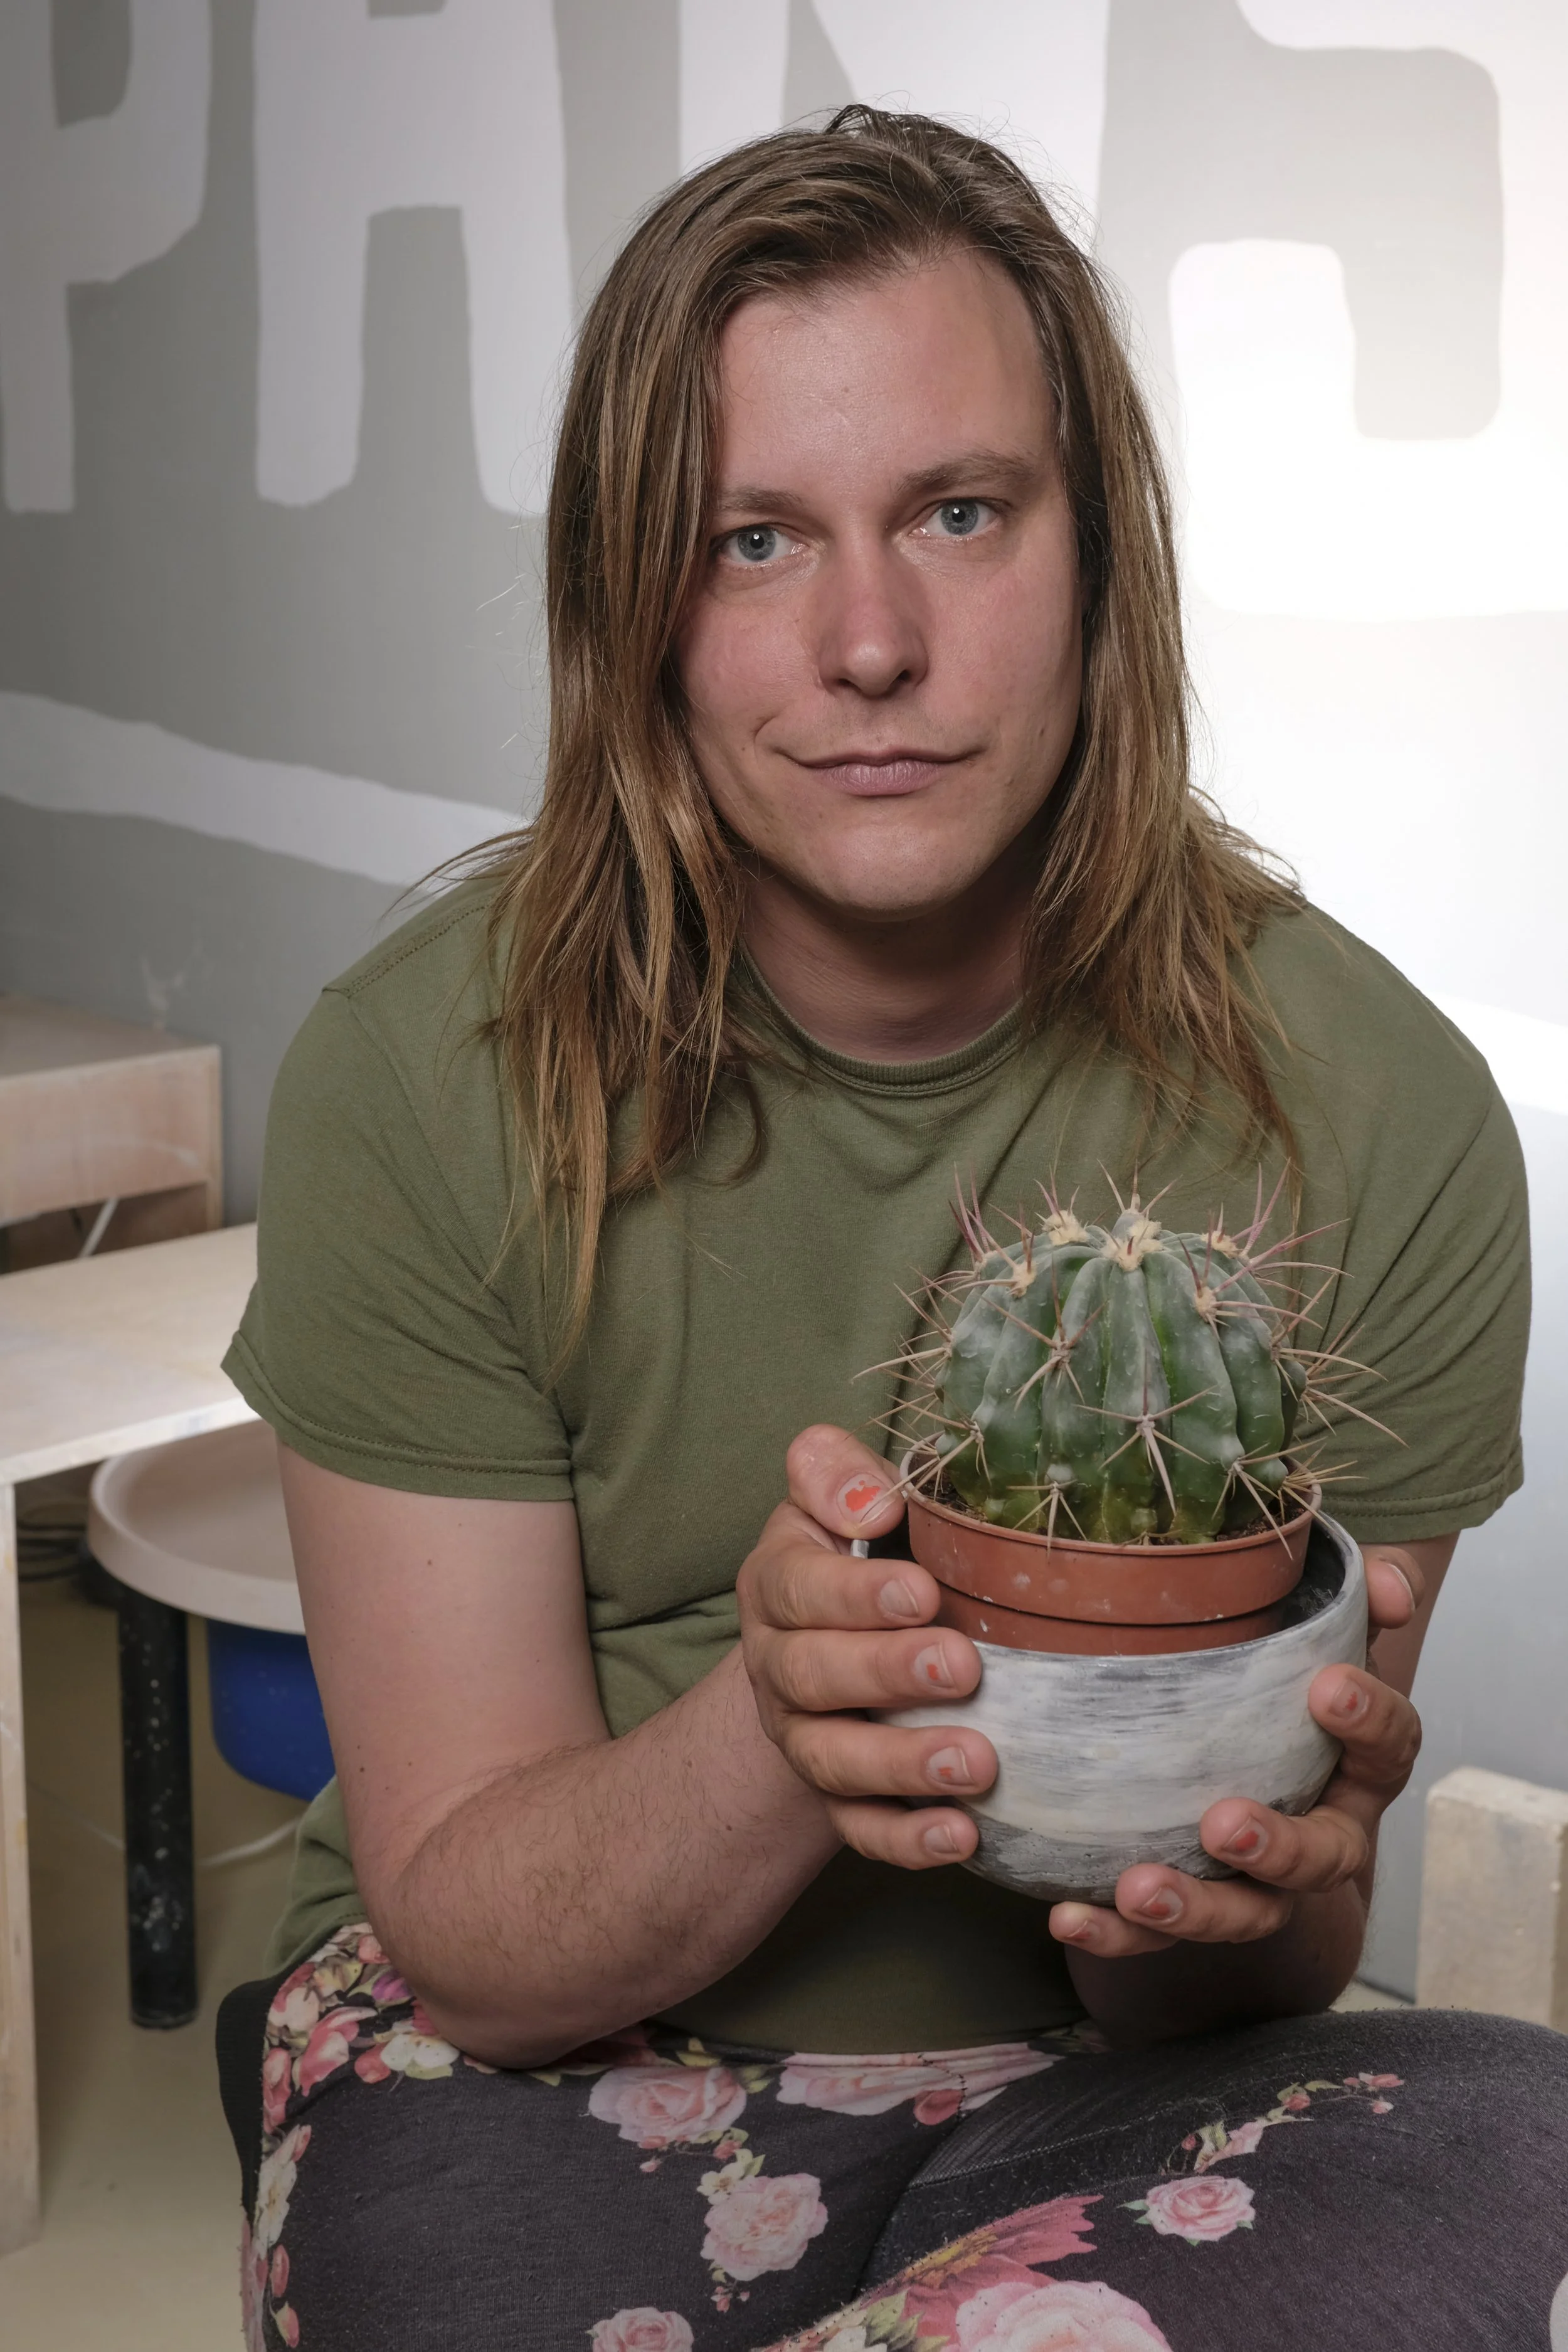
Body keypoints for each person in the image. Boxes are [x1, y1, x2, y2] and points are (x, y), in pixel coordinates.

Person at [217, 110, 1562, 2352]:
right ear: (634, 604)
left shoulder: (1384, 1113)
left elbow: (1255, 1976)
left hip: (1102, 2095)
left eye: (959, 511)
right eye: (752, 538)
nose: (868, 642)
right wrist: (786, 1714)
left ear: (1096, 552)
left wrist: (1232, 1883)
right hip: (540, 2066)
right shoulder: (421, 1073)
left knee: (1527, 2148)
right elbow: (478, 1942)